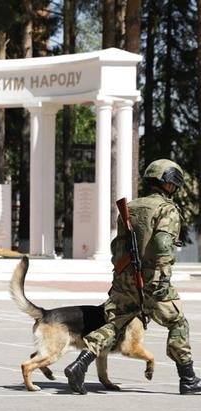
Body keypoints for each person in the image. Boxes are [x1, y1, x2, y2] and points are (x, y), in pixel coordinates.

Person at [64, 159, 201, 395]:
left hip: (124, 280)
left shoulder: (131, 207)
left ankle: (80, 364)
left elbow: (116, 247)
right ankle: (188, 378)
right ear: (170, 183)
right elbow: (162, 245)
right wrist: (161, 279)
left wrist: (123, 276)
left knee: (116, 324)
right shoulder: (166, 209)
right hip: (152, 281)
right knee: (177, 322)